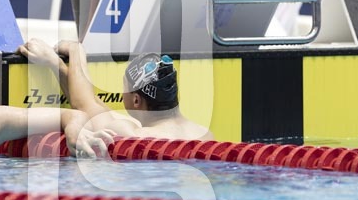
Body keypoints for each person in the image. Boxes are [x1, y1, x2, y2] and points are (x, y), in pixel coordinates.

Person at [18, 39, 214, 141]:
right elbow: (96, 107)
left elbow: (85, 105)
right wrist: (60, 67)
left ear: (136, 100)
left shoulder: (134, 135)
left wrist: (75, 50)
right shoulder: (205, 135)